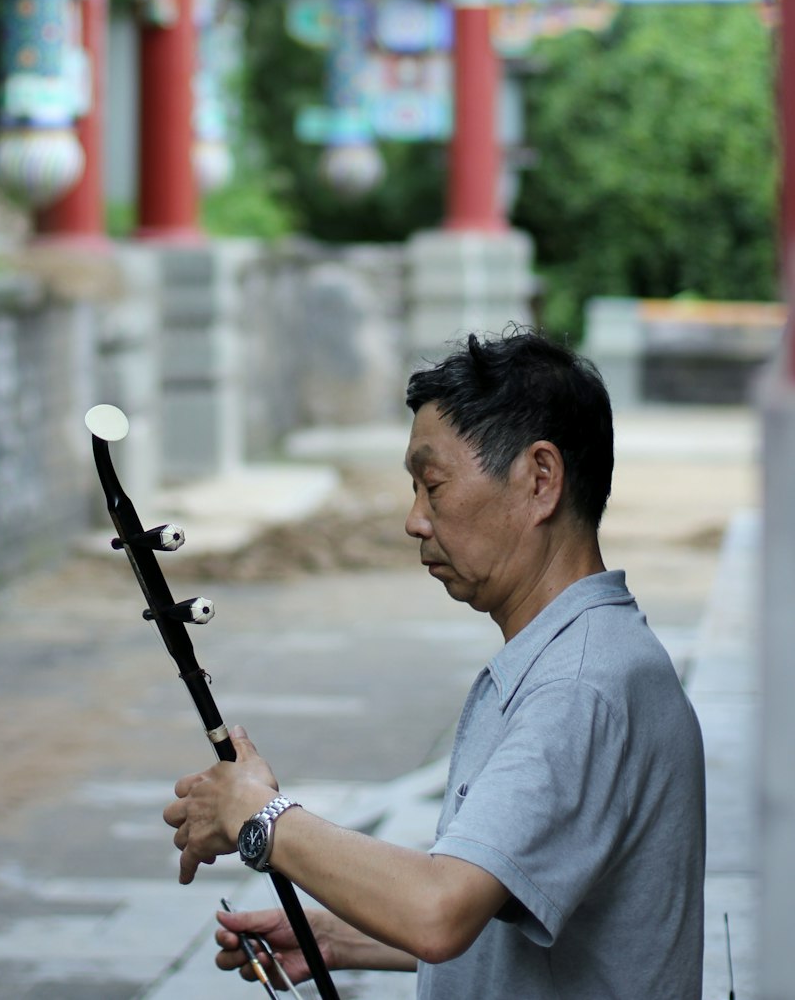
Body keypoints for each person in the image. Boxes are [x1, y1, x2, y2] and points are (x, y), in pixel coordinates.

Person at [163, 327, 706, 999]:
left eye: (434, 484)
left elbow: (440, 908)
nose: (415, 520)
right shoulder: (586, 656)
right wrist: (336, 938)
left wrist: (263, 816)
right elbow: (495, 896)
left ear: (541, 479)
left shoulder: (580, 685)